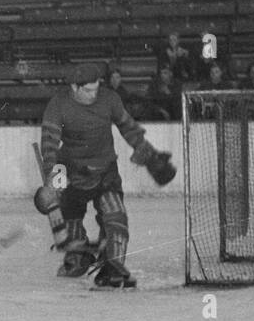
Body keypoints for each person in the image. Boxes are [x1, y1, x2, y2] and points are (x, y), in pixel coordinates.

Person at [35, 61, 173, 289]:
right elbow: (49, 144)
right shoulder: (58, 104)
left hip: (105, 171)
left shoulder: (109, 99)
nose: (94, 94)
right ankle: (78, 256)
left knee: (116, 216)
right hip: (69, 171)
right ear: (74, 88)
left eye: (96, 88)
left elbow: (128, 127)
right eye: (88, 90)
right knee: (66, 215)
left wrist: (146, 152)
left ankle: (114, 266)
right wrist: (53, 180)